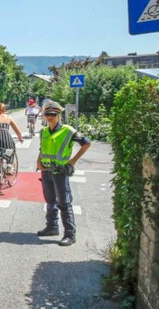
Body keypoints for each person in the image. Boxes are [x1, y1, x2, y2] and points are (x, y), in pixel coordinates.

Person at [36, 101, 91, 246]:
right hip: (46, 170)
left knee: (64, 203)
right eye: (47, 114)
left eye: (52, 114)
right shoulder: (44, 131)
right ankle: (52, 227)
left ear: (59, 115)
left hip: (60, 172)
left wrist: (72, 161)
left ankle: (70, 234)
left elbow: (86, 143)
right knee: (50, 201)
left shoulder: (68, 130)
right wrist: (38, 161)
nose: (49, 117)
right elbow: (42, 148)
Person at [0, 103, 24, 182]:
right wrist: (20, 138)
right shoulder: (8, 117)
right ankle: (9, 167)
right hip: (6, 139)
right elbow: (17, 130)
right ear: (4, 109)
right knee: (12, 149)